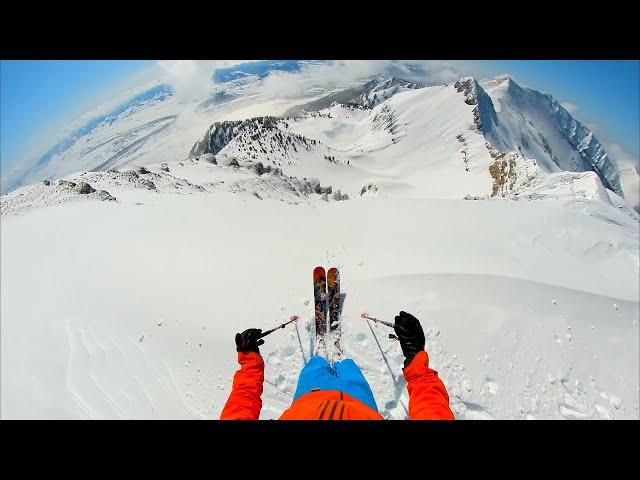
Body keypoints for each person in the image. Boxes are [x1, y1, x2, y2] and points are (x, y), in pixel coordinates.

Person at [220, 311, 454, 420]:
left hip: (309, 397)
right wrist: (416, 362)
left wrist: (250, 361)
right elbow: (434, 414)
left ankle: (323, 351)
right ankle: (338, 357)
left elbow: (239, 408)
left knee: (317, 364)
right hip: (361, 402)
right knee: (349, 367)